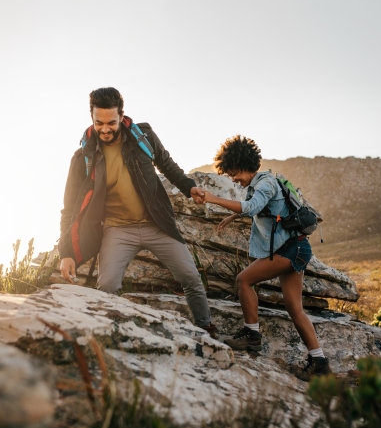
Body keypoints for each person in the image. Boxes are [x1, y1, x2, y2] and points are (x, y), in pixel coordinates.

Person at [58, 87, 216, 337]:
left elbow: (167, 164)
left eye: (111, 122)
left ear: (122, 115)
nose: (105, 128)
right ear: (91, 117)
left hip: (156, 224)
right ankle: (106, 336)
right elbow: (69, 207)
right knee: (107, 285)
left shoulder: (143, 136)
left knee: (191, 277)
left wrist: (190, 188)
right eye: (99, 122)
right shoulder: (82, 157)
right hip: (116, 229)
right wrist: (66, 251)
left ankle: (206, 328)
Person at [199, 135, 331, 379]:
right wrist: (231, 217)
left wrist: (213, 198)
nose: (234, 179)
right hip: (297, 248)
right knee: (295, 309)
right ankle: (320, 362)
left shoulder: (266, 183)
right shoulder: (261, 183)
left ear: (244, 164)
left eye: (234, 173)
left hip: (290, 250)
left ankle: (252, 335)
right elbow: (255, 206)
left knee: (243, 280)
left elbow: (251, 207)